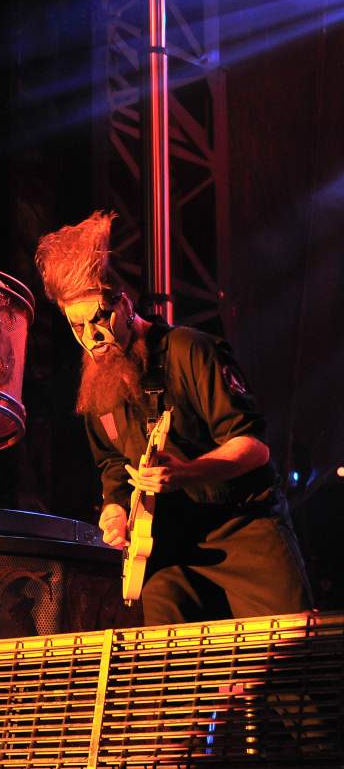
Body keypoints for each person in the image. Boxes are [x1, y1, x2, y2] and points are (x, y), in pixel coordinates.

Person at [34, 211, 311, 627]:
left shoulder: (191, 350)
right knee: (171, 669)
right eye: (77, 326)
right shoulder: (93, 383)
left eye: (99, 318)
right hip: (166, 545)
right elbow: (112, 465)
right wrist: (113, 514)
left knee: (290, 650)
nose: (92, 337)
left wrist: (188, 472)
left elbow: (254, 448)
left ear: (124, 304)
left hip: (241, 527)